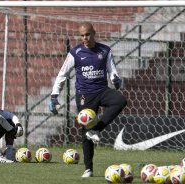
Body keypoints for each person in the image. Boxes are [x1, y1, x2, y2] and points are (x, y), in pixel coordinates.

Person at [49, 22, 127, 177]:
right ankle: (88, 169)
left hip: (102, 90)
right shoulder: (75, 52)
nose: (85, 38)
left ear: (94, 33)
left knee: (120, 100)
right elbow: (62, 74)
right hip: (84, 95)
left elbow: (112, 71)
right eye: (82, 35)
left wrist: (116, 79)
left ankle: (96, 129)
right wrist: (54, 96)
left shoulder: (105, 50)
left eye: (87, 34)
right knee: (85, 130)